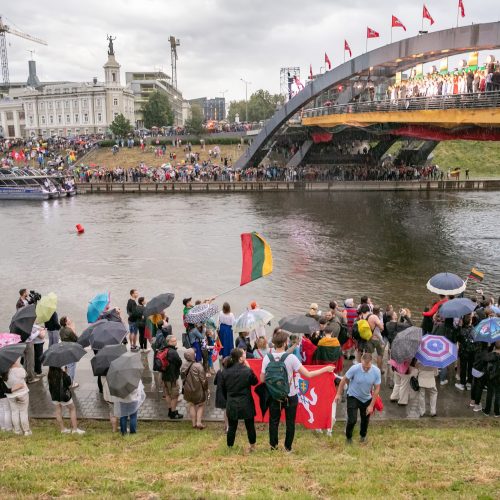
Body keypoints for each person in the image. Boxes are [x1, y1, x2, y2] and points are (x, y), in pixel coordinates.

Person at [260, 329, 334, 452]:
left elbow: (262, 379)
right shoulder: (291, 358)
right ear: (284, 343)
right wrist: (325, 369)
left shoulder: (267, 358)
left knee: (273, 422)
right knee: (290, 423)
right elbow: (308, 375)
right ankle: (288, 448)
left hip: (274, 395)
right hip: (290, 395)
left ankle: (273, 446)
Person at [335, 352, 381, 444]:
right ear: (361, 361)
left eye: (368, 367)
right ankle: (348, 438)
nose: (365, 368)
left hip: (366, 398)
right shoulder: (355, 368)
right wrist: (338, 394)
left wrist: (371, 405)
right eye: (364, 366)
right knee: (352, 420)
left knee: (365, 420)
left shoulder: (376, 371)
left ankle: (363, 436)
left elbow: (377, 389)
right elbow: (343, 379)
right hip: (353, 396)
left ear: (371, 362)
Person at [220, 348, 259, 450]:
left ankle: (229, 447)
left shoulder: (225, 372)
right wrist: (249, 367)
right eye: (244, 354)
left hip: (232, 402)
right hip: (246, 401)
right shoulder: (247, 370)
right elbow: (255, 382)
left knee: (232, 426)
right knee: (250, 425)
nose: (246, 354)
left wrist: (228, 399)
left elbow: (223, 389)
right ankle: (252, 446)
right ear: (241, 358)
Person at [47, 366, 85, 434]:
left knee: (58, 411)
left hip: (54, 396)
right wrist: (66, 373)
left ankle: (63, 429)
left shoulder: (50, 374)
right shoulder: (63, 374)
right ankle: (75, 429)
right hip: (64, 396)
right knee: (72, 409)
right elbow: (70, 384)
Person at [181, 348, 208, 429]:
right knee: (201, 405)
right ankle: (199, 422)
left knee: (191, 404)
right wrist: (206, 389)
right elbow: (203, 380)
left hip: (188, 390)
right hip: (198, 390)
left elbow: (182, 379)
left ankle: (193, 423)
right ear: (193, 355)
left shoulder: (183, 366)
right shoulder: (198, 366)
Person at [4, 357, 31, 435]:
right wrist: (19, 366)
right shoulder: (19, 370)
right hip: (22, 393)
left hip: (11, 395)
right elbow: (26, 375)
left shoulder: (4, 373)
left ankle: (17, 430)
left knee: (14, 412)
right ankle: (26, 430)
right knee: (23, 412)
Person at [161, 335, 184, 420]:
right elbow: (179, 362)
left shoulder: (164, 349)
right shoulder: (173, 352)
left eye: (175, 340)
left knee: (167, 394)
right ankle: (173, 413)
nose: (175, 342)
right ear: (169, 342)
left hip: (165, 376)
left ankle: (170, 410)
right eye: (173, 341)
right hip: (172, 377)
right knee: (175, 395)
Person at [59, 316, 79, 388]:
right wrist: (73, 329)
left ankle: (67, 380)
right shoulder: (69, 331)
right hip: (71, 349)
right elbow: (76, 339)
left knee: (68, 365)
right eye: (68, 319)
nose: (70, 319)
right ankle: (70, 382)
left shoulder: (61, 329)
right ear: (66, 322)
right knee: (72, 366)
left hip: (65, 348)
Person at [483, 341, 500, 417]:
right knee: (498, 394)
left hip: (491, 377)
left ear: (494, 346)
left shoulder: (491, 355)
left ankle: (487, 411)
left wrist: (491, 350)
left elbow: (484, 359)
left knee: (489, 394)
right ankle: (497, 412)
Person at [214, 357, 229, 432]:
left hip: (221, 394)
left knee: (225, 411)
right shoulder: (230, 372)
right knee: (228, 411)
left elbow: (215, 382)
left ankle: (226, 425)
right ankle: (228, 427)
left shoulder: (219, 372)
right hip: (228, 394)